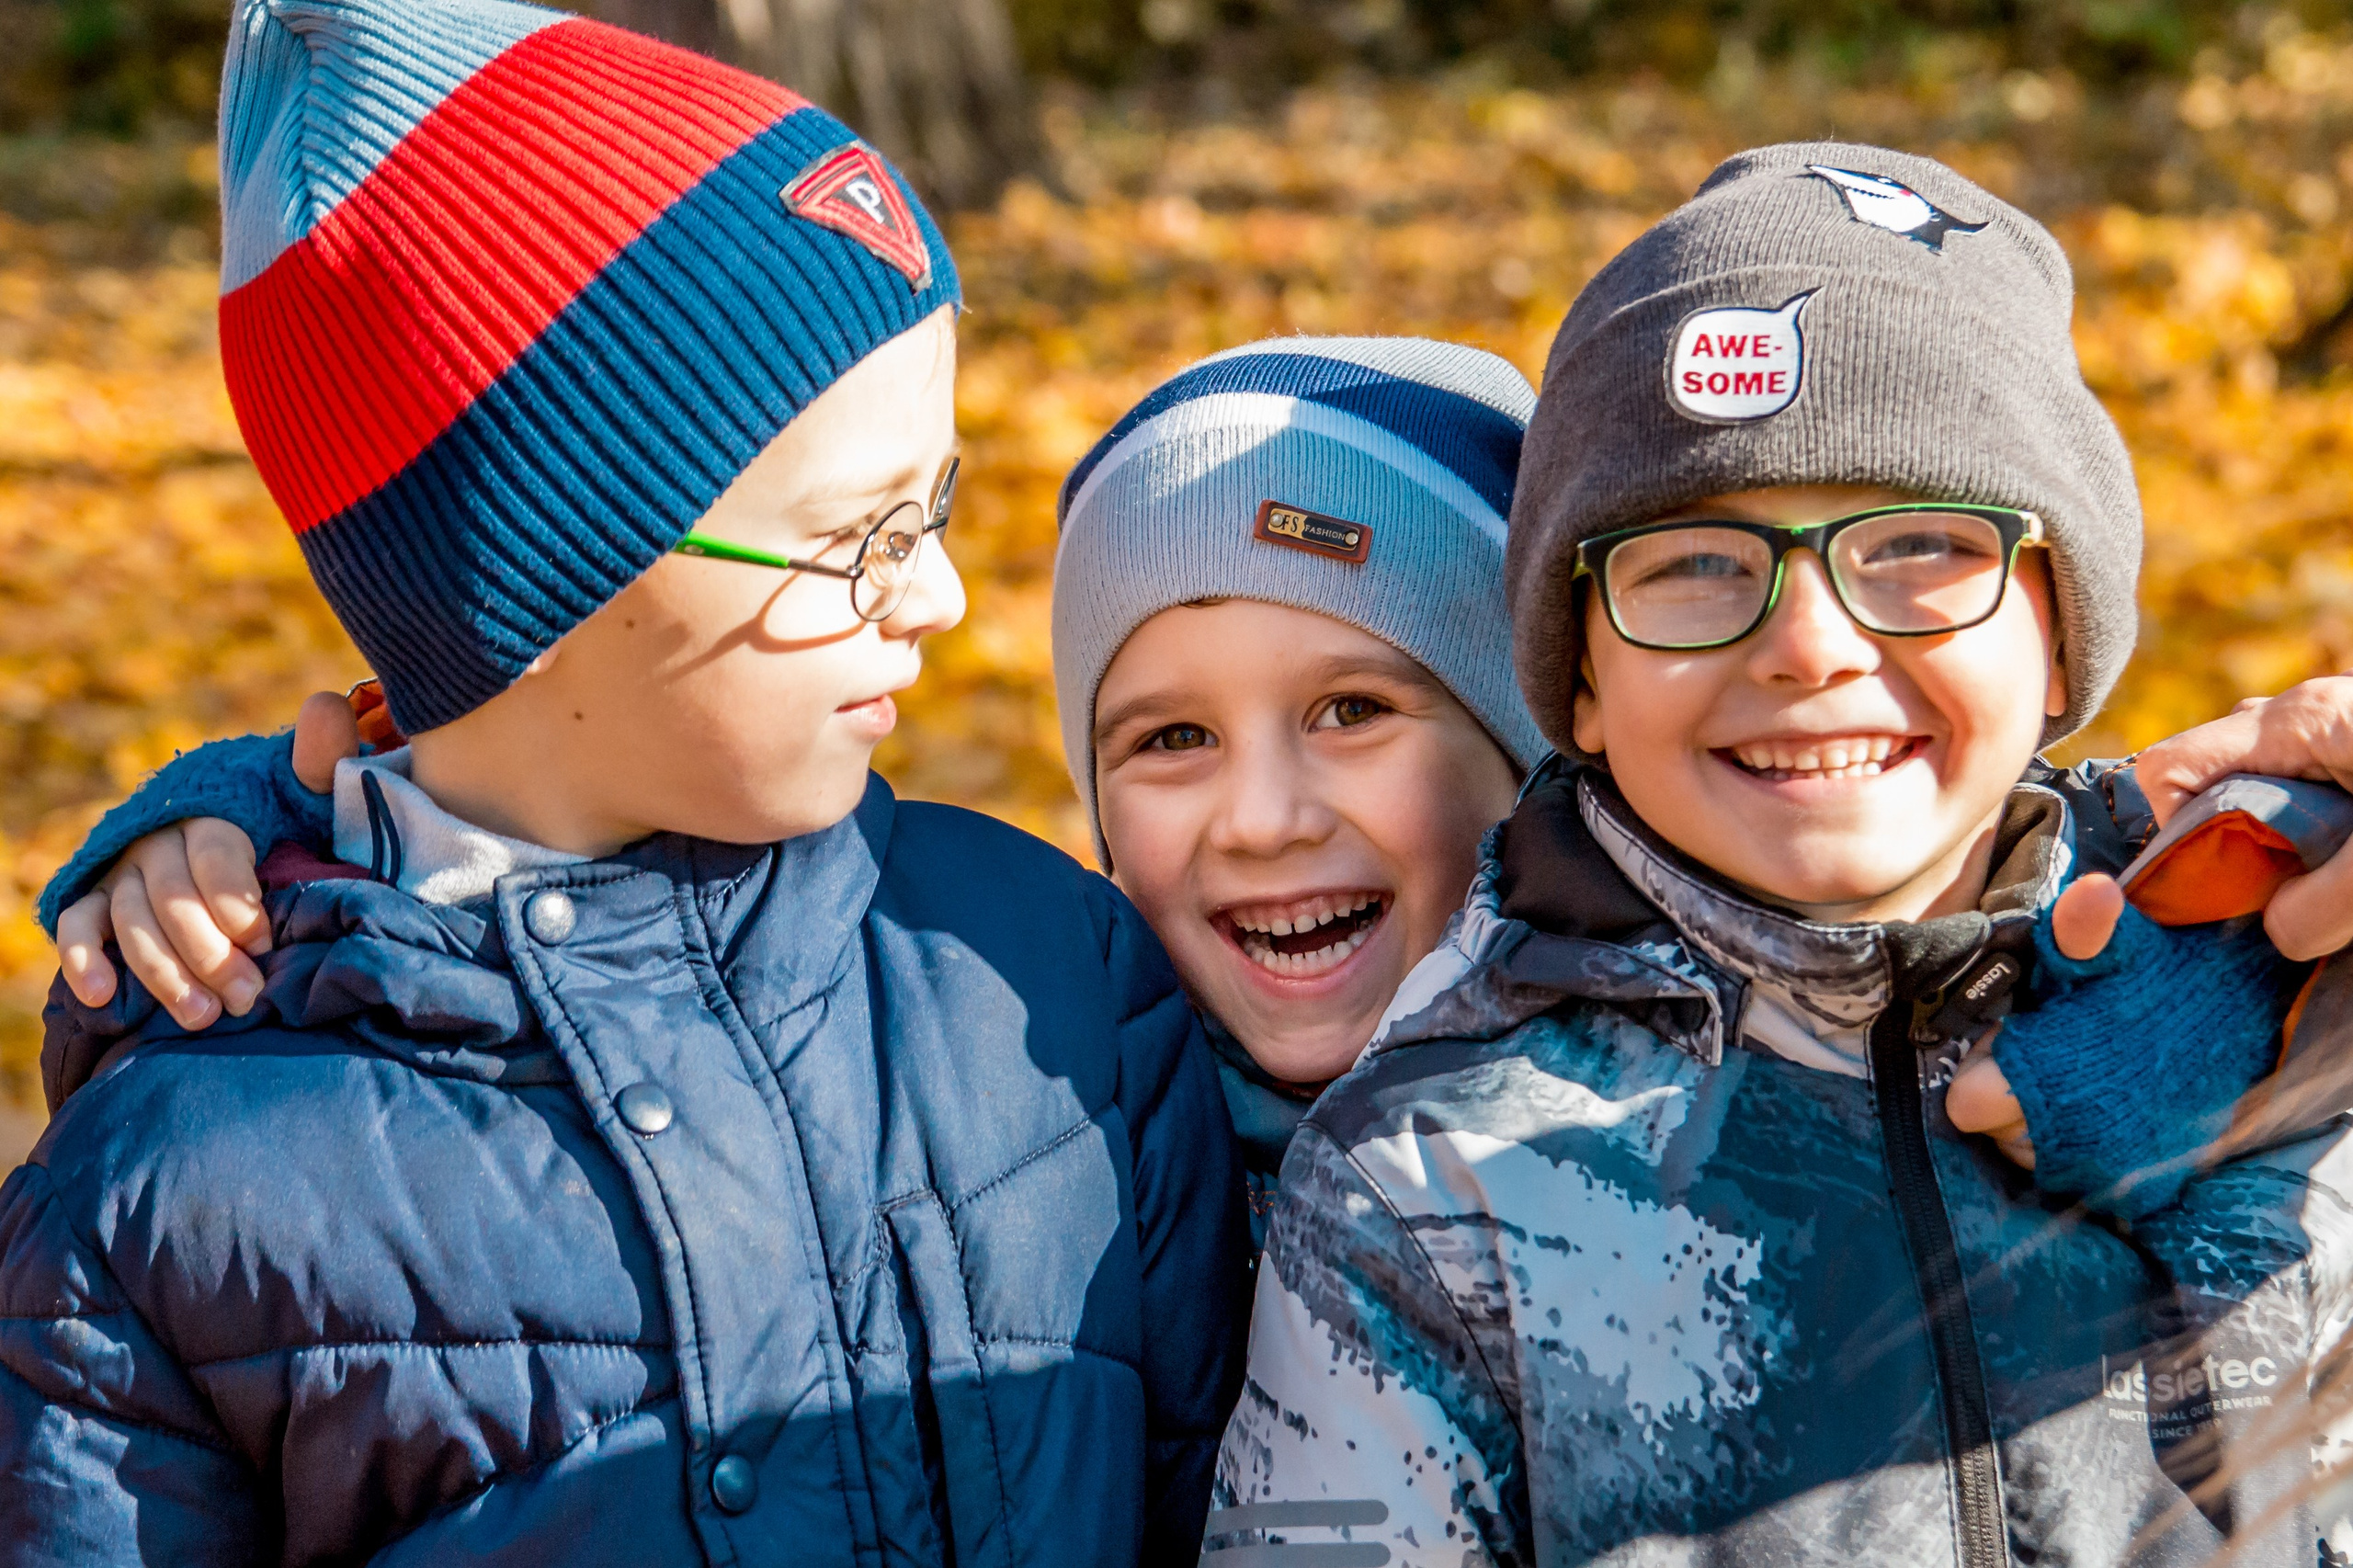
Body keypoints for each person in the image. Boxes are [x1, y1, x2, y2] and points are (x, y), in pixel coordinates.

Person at [0, 1, 1245, 1562]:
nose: (937, 596)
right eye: (861, 536)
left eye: (936, 503)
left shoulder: (1053, 977)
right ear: (539, 588)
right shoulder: (171, 1204)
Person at [1207, 144, 2353, 1565]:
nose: (1807, 645)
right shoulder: (1436, 1179)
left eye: (1924, 543)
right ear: (1578, 686)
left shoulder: (2278, 971)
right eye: (1691, 562)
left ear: (2060, 628)